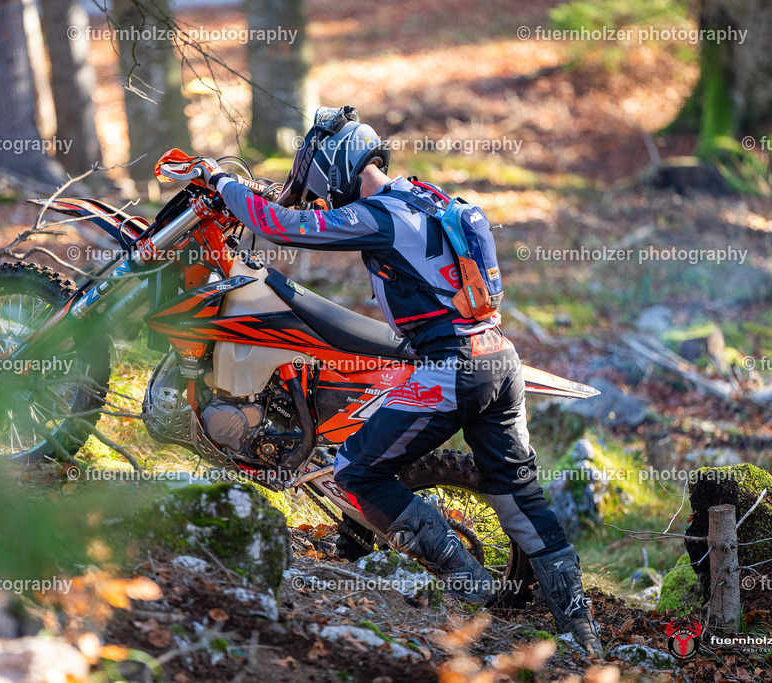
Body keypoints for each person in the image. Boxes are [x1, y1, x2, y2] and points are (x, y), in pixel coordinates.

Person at [195, 106, 602, 654]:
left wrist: (220, 181)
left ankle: (468, 584)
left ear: (336, 166)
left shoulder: (380, 214)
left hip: (450, 365)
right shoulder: (426, 196)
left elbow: (284, 227)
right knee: (520, 499)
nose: (319, 196)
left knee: (354, 472)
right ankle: (584, 637)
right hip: (499, 359)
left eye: (317, 184)